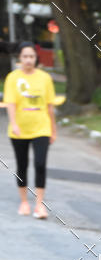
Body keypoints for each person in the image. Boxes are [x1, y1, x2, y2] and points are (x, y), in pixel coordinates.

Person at [4, 41, 57, 219]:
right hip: (19, 129)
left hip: (42, 127)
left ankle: (39, 205)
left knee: (40, 164)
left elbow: (50, 106)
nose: (28, 59)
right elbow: (10, 103)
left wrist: (53, 130)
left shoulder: (45, 78)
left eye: (31, 56)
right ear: (20, 58)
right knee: (22, 165)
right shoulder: (12, 78)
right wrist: (14, 123)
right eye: (25, 56)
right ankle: (24, 202)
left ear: (36, 58)